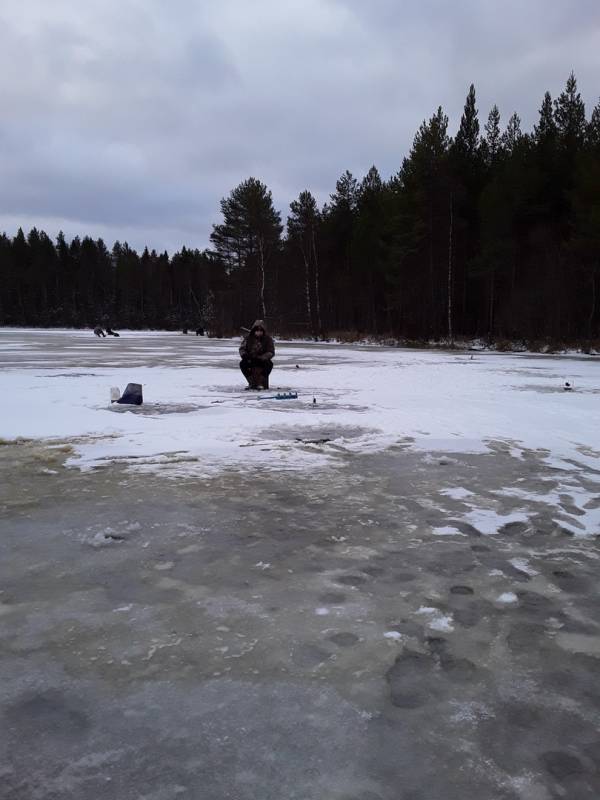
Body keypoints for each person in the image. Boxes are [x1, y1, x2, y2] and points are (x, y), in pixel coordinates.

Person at [239, 320, 275, 390]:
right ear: (254, 330)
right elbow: (242, 349)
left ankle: (261, 382)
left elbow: (271, 351)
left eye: (261, 330)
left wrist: (262, 357)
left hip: (262, 360)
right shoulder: (248, 338)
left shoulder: (268, 339)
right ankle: (252, 382)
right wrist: (245, 356)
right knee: (242, 364)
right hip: (250, 359)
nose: (259, 332)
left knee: (269, 364)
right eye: (257, 330)